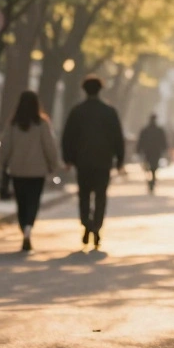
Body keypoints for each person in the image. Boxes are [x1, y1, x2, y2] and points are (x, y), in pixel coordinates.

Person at [62, 75, 125, 248]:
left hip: (82, 162)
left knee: (84, 195)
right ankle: (97, 225)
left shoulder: (77, 111)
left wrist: (68, 159)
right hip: (103, 161)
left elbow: (67, 137)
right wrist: (119, 160)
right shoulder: (109, 112)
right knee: (100, 195)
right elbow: (118, 137)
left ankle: (86, 223)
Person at [0, 91, 62, 252]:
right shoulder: (42, 123)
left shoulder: (12, 124)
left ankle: (23, 227)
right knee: (34, 201)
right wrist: (54, 165)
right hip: (37, 171)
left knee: (21, 202)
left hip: (17, 171)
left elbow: (4, 147)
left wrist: (1, 165)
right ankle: (28, 227)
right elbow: (50, 146)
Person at [137, 114, 169, 194]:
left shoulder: (145, 130)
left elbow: (141, 141)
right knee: (153, 167)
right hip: (155, 152)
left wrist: (139, 150)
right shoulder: (158, 130)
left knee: (149, 167)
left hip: (148, 152)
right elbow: (163, 141)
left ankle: (151, 181)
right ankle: (152, 181)